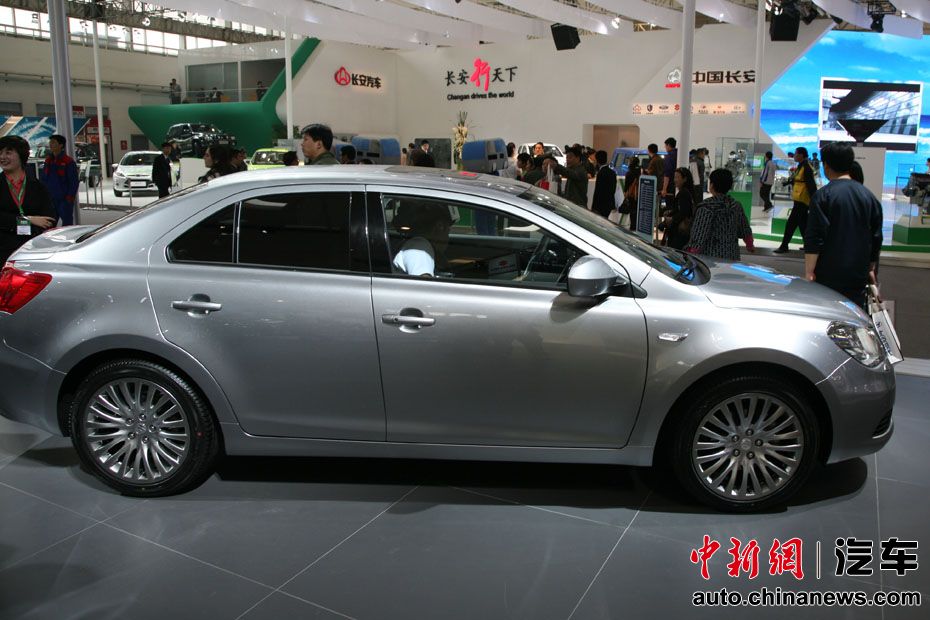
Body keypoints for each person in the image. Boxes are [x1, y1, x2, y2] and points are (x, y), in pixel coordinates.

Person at [803, 142, 883, 309]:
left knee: (828, 313)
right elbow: (876, 237)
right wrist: (870, 267)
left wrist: (809, 271)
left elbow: (814, 236)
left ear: (826, 165)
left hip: (829, 272)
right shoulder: (869, 197)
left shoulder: (823, 195)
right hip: (858, 272)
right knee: (855, 313)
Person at [0, 136, 57, 263]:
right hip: (3, 250)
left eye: (8, 153)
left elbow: (49, 220)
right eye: (0, 153)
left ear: (21, 155)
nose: (2, 157)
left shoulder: (38, 186)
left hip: (32, 249)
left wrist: (13, 222)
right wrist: (28, 219)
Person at [687, 168, 754, 261]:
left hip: (711, 257)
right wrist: (750, 245)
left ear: (712, 185)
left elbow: (699, 235)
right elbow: (745, 228)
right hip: (732, 255)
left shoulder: (706, 208)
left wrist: (691, 254)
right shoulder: (735, 205)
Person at [774, 146, 817, 253]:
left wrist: (814, 202)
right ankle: (809, 246)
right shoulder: (801, 166)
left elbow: (811, 186)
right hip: (799, 199)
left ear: (801, 155)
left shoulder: (806, 167)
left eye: (796, 153)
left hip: (802, 201)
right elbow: (798, 180)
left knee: (791, 224)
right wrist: (788, 182)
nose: (794, 155)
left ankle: (784, 246)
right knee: (803, 224)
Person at [392, 204, 453, 277]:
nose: (447, 238)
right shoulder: (420, 249)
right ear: (439, 227)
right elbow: (423, 282)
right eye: (447, 232)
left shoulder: (417, 245)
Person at [41, 134, 79, 226]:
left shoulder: (68, 161)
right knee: (49, 224)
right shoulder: (48, 161)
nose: (50, 144)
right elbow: (44, 178)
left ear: (61, 145)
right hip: (50, 198)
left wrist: (69, 198)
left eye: (53, 142)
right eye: (50, 142)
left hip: (64, 199)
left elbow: (73, 181)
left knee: (67, 224)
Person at [661, 167, 695, 250]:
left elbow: (684, 212)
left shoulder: (684, 193)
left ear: (685, 179)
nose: (675, 180)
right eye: (674, 177)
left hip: (679, 232)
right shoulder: (687, 192)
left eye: (677, 177)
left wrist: (672, 218)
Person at [591, 150, 616, 218]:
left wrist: (594, 206)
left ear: (597, 160)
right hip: (609, 203)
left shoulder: (601, 173)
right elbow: (613, 189)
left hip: (600, 205)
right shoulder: (612, 172)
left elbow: (598, 191)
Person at [622, 156, 642, 230]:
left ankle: (633, 226)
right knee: (637, 210)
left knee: (632, 210)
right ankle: (638, 226)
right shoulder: (640, 172)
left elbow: (627, 185)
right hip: (639, 194)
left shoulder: (629, 173)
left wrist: (625, 192)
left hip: (632, 194)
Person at [661, 137, 678, 211]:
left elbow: (667, 174)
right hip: (679, 185)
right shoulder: (679, 154)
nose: (665, 147)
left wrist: (664, 189)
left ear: (668, 145)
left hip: (671, 186)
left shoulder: (669, 157)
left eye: (665, 146)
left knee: (670, 207)